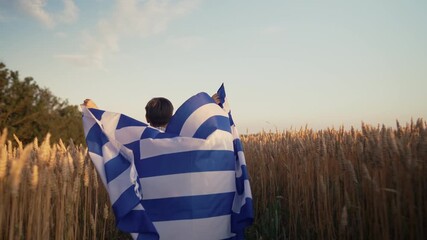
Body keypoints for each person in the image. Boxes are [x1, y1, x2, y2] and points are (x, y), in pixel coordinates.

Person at [83, 93, 220, 131]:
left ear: (146, 118)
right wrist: (211, 104)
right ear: (172, 117)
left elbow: (111, 132)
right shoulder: (180, 136)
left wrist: (94, 111)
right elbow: (203, 127)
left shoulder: (140, 136)